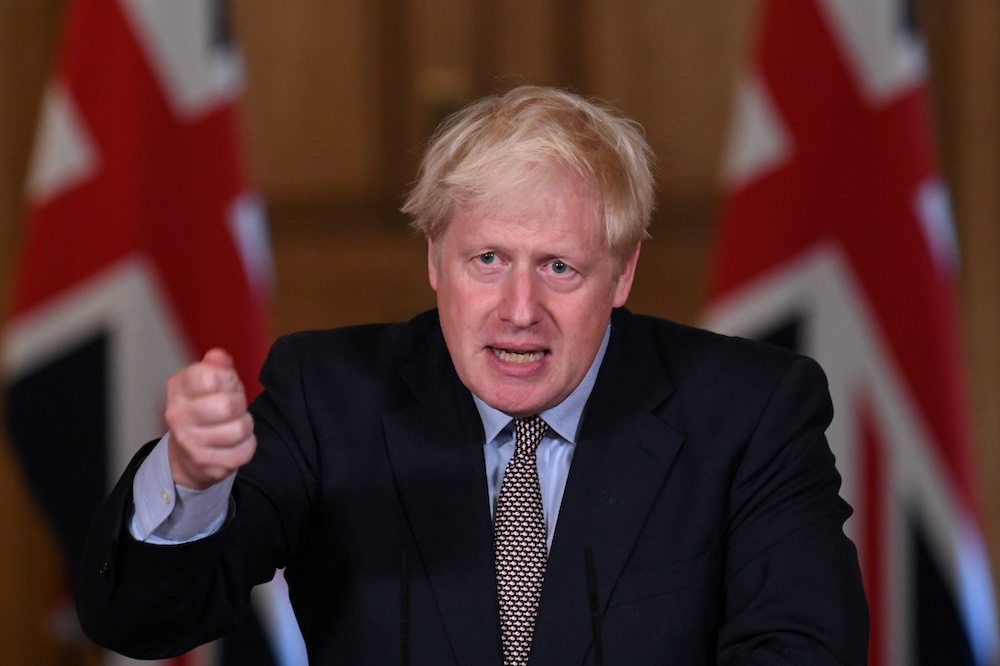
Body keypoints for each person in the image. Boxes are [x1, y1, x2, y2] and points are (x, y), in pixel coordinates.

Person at [75, 85, 869, 664]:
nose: (518, 309)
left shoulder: (752, 410)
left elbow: (802, 649)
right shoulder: (330, 396)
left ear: (622, 275)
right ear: (434, 261)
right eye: (487, 260)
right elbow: (142, 622)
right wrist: (189, 479)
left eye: (559, 266)